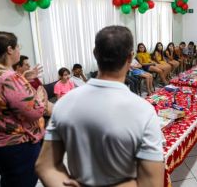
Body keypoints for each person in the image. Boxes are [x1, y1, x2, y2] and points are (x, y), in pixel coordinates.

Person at [35, 26, 164, 187]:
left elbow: (46, 166)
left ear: (95, 53)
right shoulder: (142, 110)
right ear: (130, 57)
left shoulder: (64, 104)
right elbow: (152, 182)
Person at [0, 31, 47, 187]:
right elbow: (35, 112)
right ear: (9, 49)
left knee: (9, 180)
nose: (19, 51)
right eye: (18, 47)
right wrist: (40, 97)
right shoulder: (9, 77)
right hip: (14, 146)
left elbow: (2, 96)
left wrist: (22, 79)